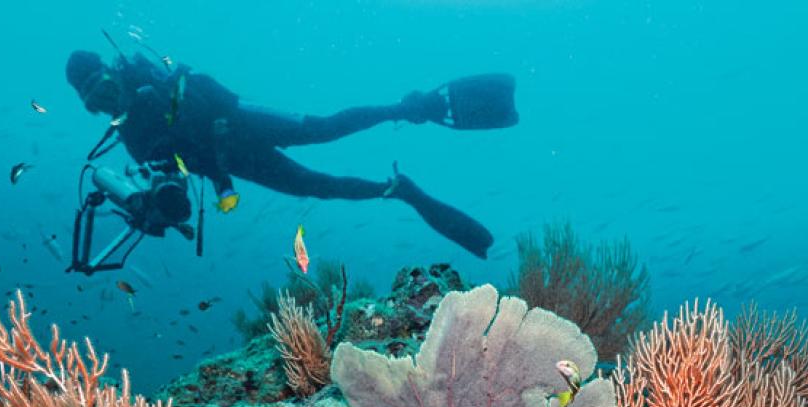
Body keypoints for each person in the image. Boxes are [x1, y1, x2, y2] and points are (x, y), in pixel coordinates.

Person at [65, 50, 518, 258]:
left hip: (243, 122)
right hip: (236, 162)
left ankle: (412, 107)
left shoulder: (155, 83)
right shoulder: (130, 137)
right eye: (94, 103)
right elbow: (176, 173)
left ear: (111, 71)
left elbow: (214, 97)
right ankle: (398, 190)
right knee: (315, 186)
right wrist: (155, 208)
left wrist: (211, 144)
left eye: (103, 90)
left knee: (324, 128)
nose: (106, 103)